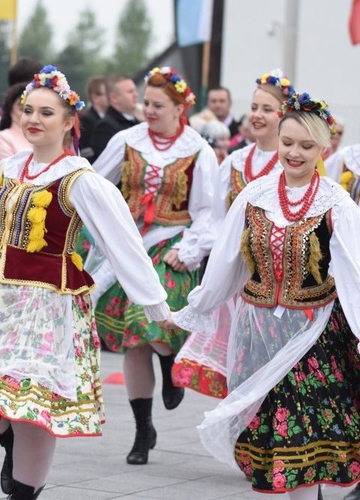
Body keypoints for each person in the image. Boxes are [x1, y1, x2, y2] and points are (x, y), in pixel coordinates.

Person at [0, 65, 171, 500]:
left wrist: (153, 300)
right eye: (27, 111)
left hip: (46, 304)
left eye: (46, 112)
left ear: (68, 122)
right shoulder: (8, 165)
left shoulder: (79, 179)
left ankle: (24, 489)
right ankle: (11, 447)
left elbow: (122, 241)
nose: (33, 119)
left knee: (28, 403)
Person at [170, 92, 360, 500]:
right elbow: (225, 263)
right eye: (287, 142)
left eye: (306, 146)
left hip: (315, 334)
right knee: (272, 437)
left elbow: (354, 273)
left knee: (301, 440)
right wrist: (196, 308)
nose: (293, 153)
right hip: (259, 334)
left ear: (324, 148)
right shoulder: (254, 195)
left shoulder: (335, 202)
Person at [89, 66, 219, 465]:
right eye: (146, 102)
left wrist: (192, 249)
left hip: (171, 244)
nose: (148, 110)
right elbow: (92, 181)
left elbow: (207, 211)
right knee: (134, 338)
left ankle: (169, 361)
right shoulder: (127, 141)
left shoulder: (198, 149)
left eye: (157, 105)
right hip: (130, 245)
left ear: (180, 108)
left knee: (150, 324)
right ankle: (143, 430)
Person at [173, 69, 294, 398]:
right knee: (238, 372)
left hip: (278, 281)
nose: (257, 115)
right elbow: (215, 219)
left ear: (284, 115)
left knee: (273, 372)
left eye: (267, 109)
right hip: (238, 279)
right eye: (254, 107)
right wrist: (199, 251)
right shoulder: (236, 162)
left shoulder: (293, 163)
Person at [89, 75, 139, 161]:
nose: (136, 95)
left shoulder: (135, 121)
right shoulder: (105, 127)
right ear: (114, 98)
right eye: (130, 92)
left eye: (135, 90)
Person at [0, 83, 32, 163]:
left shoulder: (43, 135)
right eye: (21, 109)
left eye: (29, 110)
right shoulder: (3, 137)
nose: (26, 114)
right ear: (10, 109)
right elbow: (10, 170)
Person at [77, 76, 108, 162]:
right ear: (95, 97)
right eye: (107, 93)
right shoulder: (87, 120)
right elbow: (86, 152)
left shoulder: (111, 118)